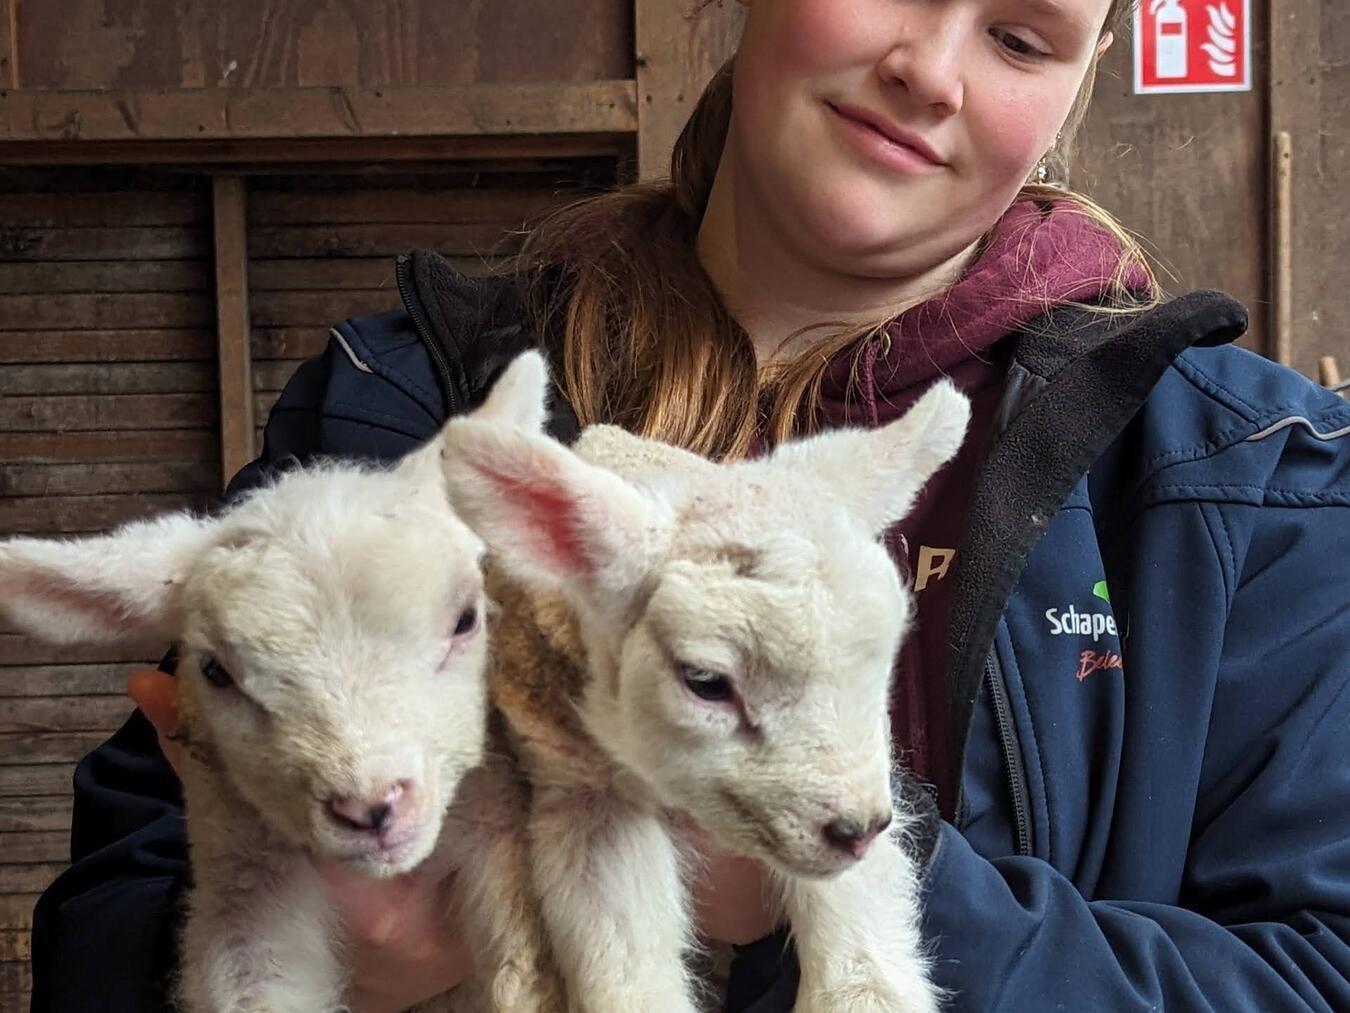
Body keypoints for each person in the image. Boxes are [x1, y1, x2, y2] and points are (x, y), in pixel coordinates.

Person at [30, 0, 1350, 1009]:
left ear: (1070, 94)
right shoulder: (416, 406)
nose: (930, 71)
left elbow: (1314, 968)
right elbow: (110, 922)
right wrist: (353, 943)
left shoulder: (1239, 469)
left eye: (1019, 36)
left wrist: (786, 867)